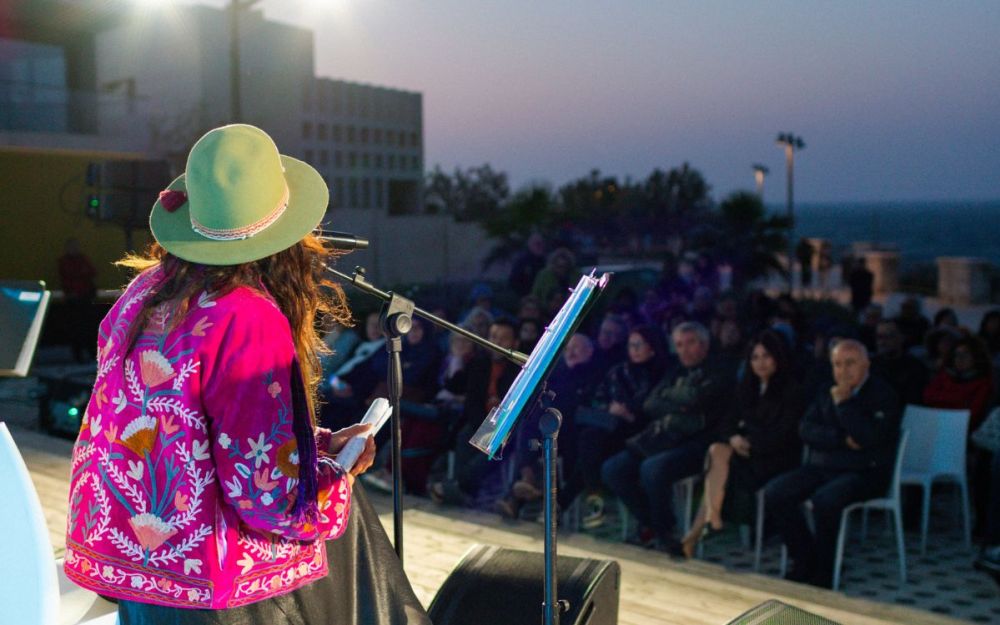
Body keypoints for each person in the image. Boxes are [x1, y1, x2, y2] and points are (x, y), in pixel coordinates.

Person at [63, 125, 428, 622]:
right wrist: (338, 474)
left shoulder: (144, 294)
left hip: (142, 575)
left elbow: (182, 432)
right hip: (211, 589)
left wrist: (315, 443)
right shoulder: (246, 316)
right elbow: (267, 498)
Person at [763, 339, 900, 588]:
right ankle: (805, 558)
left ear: (866, 363)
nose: (843, 371)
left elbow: (867, 437)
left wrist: (845, 405)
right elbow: (805, 429)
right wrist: (840, 439)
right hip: (824, 466)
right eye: (837, 364)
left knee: (825, 500)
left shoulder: (884, 394)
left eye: (850, 363)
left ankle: (825, 572)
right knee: (775, 492)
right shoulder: (826, 390)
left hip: (865, 471)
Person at [600, 321, 730, 553]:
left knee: (653, 468)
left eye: (690, 343)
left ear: (704, 344)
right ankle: (650, 523)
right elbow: (651, 404)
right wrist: (680, 403)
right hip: (662, 438)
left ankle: (663, 533)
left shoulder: (719, 370)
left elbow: (696, 399)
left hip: (699, 443)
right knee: (613, 469)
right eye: (679, 345)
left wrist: (672, 400)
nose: (685, 350)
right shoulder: (676, 369)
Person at [681, 331, 804, 558]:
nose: (760, 363)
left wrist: (747, 439)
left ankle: (703, 527)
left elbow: (782, 434)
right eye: (755, 357)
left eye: (766, 356)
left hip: (775, 461)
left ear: (777, 357)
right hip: (742, 456)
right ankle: (704, 525)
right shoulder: (747, 388)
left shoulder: (792, 391)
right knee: (718, 451)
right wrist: (735, 438)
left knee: (717, 458)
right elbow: (727, 424)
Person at [565, 325, 668, 527]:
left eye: (640, 345)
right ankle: (592, 501)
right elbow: (596, 399)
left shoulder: (662, 374)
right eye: (632, 345)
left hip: (642, 433)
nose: (635, 349)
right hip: (610, 430)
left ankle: (574, 502)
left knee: (589, 449)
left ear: (652, 347)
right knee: (590, 441)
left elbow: (654, 409)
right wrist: (612, 408)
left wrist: (630, 413)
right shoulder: (618, 371)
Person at [57, 237, 98, 362]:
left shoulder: (82, 259)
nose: (74, 249)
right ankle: (78, 356)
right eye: (71, 247)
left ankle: (91, 354)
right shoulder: (65, 262)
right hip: (73, 300)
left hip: (85, 298)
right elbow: (68, 277)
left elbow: (92, 272)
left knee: (88, 327)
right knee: (76, 329)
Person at [871, 318, 929, 406]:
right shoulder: (869, 365)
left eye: (888, 336)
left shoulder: (915, 367)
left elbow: (913, 401)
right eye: (879, 337)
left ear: (902, 337)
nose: (882, 342)